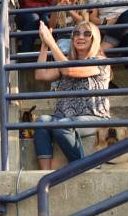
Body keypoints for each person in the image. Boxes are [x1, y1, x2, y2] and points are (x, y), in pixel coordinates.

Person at [33, 21, 111, 168]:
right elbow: (40, 74)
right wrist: (44, 45)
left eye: (87, 34)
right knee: (41, 121)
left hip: (93, 116)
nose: (80, 37)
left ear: (94, 39)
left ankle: (79, 166)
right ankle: (45, 174)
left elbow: (69, 71)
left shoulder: (100, 61)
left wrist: (52, 43)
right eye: (76, 33)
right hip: (64, 116)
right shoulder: (67, 63)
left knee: (63, 125)